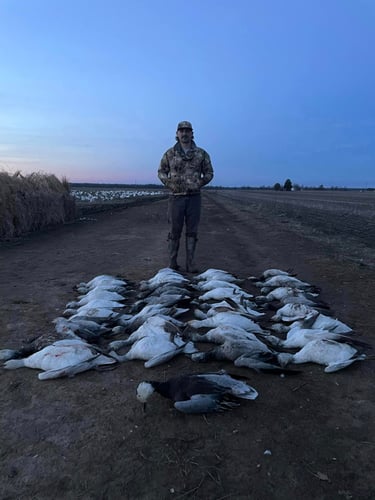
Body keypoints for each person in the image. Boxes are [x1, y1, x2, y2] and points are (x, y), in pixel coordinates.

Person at [158, 120, 214, 272]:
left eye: (187, 130)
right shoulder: (169, 153)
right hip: (176, 197)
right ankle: (172, 263)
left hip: (194, 198)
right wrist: (169, 184)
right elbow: (161, 172)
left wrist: (200, 183)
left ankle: (191, 263)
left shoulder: (201, 153)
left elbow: (209, 173)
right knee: (174, 230)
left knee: (192, 231)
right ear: (177, 134)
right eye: (181, 131)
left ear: (192, 133)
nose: (184, 133)